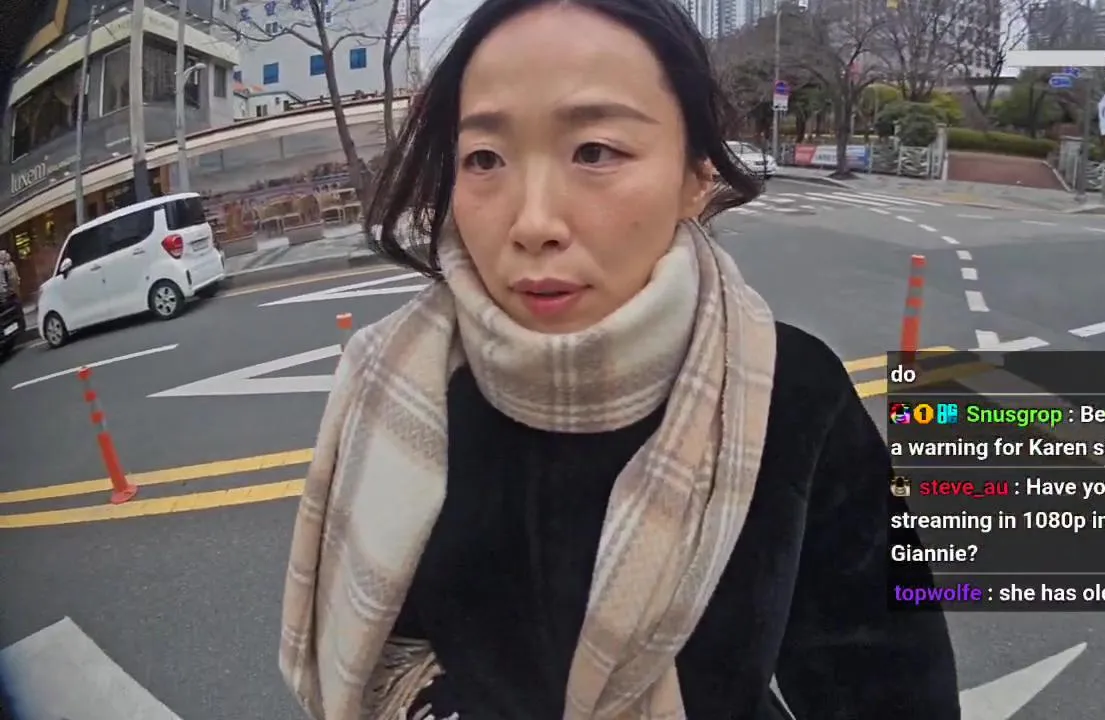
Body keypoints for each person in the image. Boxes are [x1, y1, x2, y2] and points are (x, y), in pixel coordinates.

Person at [278, 0, 959, 717]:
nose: (533, 223)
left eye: (595, 152)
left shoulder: (792, 393)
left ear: (696, 176)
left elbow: (887, 675)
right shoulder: (395, 384)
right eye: (484, 159)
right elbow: (384, 648)